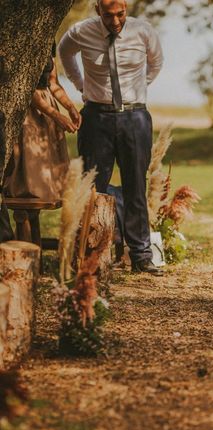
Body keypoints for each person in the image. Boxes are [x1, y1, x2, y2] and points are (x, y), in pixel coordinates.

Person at [58, 0, 164, 275]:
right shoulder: (81, 31)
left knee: (136, 185)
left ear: (126, 8)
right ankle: (90, 254)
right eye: (108, 15)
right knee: (93, 187)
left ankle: (141, 255)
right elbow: (65, 53)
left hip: (135, 117)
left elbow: (156, 62)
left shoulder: (143, 31)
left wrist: (141, 86)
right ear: (97, 11)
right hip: (96, 118)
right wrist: (80, 85)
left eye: (120, 14)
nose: (115, 21)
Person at [4, 42, 80, 203]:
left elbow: (52, 82)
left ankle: (35, 225)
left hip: (47, 107)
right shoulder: (21, 38)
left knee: (47, 176)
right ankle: (23, 222)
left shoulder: (48, 37)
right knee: (30, 179)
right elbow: (25, 88)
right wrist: (57, 116)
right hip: (26, 111)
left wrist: (70, 107)